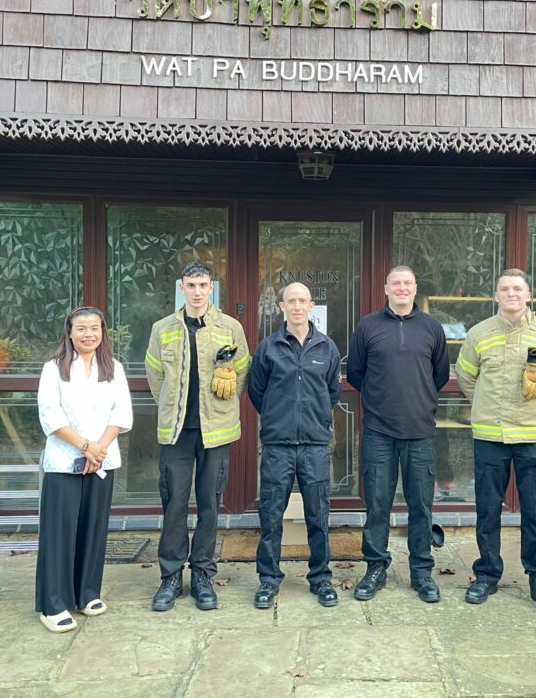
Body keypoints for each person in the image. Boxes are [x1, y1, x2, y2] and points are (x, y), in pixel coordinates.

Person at [456, 269, 536, 614]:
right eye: (504, 289)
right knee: (487, 509)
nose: (511, 294)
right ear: (496, 296)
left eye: (517, 288)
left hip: (534, 437)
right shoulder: (479, 334)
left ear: (528, 294)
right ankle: (487, 575)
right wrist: (486, 407)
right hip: (490, 436)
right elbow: (466, 376)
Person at [145, 261, 250, 612]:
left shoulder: (230, 328)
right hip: (176, 433)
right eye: (191, 285)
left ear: (211, 287)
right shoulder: (162, 329)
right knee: (174, 506)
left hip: (215, 432)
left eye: (203, 284)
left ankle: (203, 575)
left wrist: (224, 404)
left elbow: (242, 370)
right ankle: (171, 577)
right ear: (181, 287)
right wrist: (171, 405)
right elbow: (155, 374)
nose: (197, 291)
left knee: (209, 506)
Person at [346, 266, 450, 603]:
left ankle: (421, 572)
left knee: (421, 505)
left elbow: (439, 374)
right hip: (378, 431)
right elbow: (358, 374)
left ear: (415, 288)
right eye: (396, 284)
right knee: (377, 504)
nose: (402, 288)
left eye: (407, 283)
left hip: (420, 432)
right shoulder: (368, 326)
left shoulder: (432, 328)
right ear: (385, 288)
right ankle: (375, 567)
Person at [35, 306, 133, 633]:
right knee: (59, 533)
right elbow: (51, 416)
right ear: (70, 332)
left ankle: (87, 593)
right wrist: (85, 447)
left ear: (103, 332)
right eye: (81, 329)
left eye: (95, 328)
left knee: (93, 529)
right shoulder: (54, 369)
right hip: (65, 462)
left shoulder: (113, 368)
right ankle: (54, 604)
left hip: (102, 460)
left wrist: (99, 448)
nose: (88, 334)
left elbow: (122, 413)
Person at [249, 282, 342, 609]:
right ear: (281, 306)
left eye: (303, 301)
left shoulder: (326, 348)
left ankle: (321, 579)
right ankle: (269, 580)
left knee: (318, 514)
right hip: (278, 445)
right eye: (292, 301)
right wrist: (279, 418)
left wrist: (313, 420)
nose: (298, 306)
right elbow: (257, 391)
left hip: (315, 445)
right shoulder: (268, 348)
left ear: (311, 306)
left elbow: (333, 392)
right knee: (271, 516)